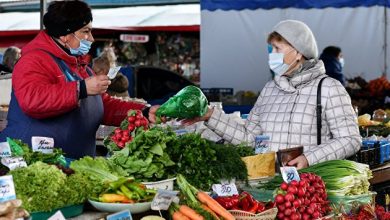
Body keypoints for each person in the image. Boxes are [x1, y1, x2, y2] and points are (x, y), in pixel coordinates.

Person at [162, 20, 361, 169]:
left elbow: (350, 139)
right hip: (270, 183)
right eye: (270, 48)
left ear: (299, 52)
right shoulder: (269, 90)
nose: (272, 54)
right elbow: (250, 138)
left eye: (277, 48)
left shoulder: (328, 88)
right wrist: (210, 116)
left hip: (308, 187)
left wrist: (310, 158)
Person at [0, 0, 158, 159]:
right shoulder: (34, 60)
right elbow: (32, 100)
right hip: (33, 161)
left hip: (73, 164)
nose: (91, 38)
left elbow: (102, 105)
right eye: (85, 31)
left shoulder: (78, 65)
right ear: (65, 35)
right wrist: (81, 89)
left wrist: (142, 112)